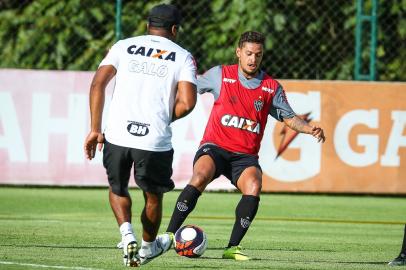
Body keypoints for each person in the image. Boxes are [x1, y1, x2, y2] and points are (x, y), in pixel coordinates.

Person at [165, 31, 326, 261]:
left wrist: (309, 128)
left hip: (244, 156)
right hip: (215, 147)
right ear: (238, 52)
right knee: (200, 176)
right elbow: (189, 87)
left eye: (258, 55)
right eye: (248, 53)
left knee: (254, 185)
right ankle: (170, 234)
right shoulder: (220, 74)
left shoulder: (271, 87)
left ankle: (232, 248)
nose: (253, 59)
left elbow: (289, 117)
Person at [83, 4, 197, 267]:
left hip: (117, 135)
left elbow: (98, 83)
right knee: (153, 195)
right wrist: (165, 117)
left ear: (147, 26)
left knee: (118, 187)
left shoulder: (123, 46)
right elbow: (188, 102)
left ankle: (126, 233)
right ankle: (147, 248)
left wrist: (94, 129)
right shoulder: (182, 56)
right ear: (175, 30)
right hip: (154, 140)